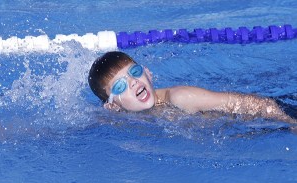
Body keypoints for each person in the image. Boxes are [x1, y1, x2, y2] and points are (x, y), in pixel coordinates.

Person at [88, 51, 296, 123]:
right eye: (120, 85)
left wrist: (288, 120)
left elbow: (247, 104)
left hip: (268, 118)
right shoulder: (119, 117)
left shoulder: (181, 97)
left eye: (134, 72)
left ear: (148, 74)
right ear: (113, 107)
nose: (133, 81)